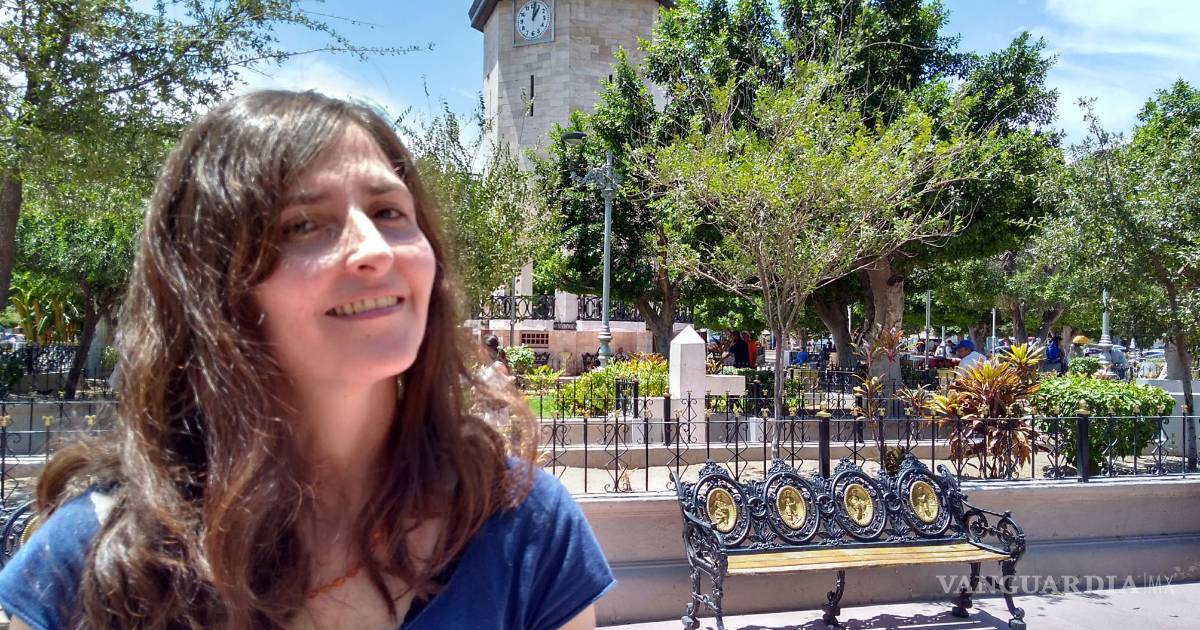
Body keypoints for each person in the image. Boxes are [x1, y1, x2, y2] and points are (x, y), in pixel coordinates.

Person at [0, 91, 612, 630]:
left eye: (390, 212)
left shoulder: (523, 527)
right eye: (302, 224)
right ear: (212, 283)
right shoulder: (98, 561)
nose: (374, 249)